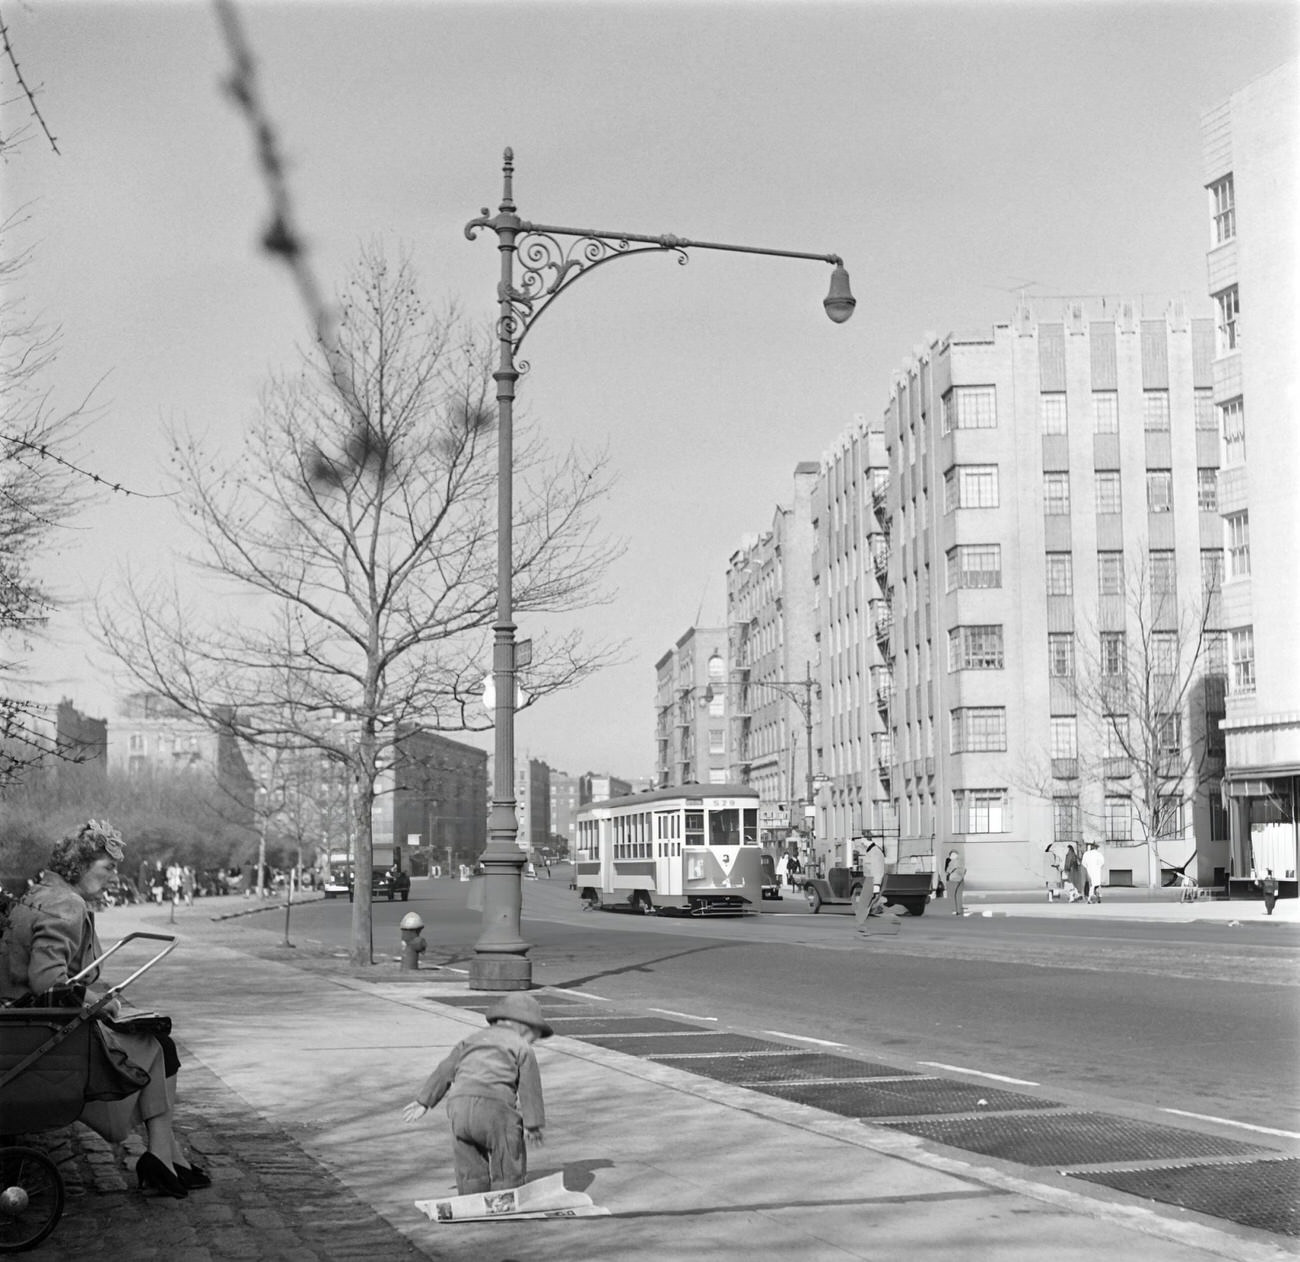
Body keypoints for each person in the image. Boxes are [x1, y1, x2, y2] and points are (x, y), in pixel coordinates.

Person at [0, 821, 208, 1198]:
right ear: (80, 866)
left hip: (20, 1022)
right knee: (158, 1046)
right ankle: (162, 1155)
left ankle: (166, 1155)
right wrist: (105, 1002)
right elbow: (49, 983)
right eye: (107, 867)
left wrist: (100, 996)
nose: (115, 875)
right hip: (41, 1034)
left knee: (156, 1040)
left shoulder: (39, 893)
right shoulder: (66, 903)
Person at [402, 992, 551, 1195]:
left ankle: (471, 1192)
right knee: (507, 1152)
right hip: (495, 1109)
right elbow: (530, 1088)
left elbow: (445, 1070)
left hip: (458, 1107)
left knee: (467, 1154)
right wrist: (533, 1124)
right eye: (536, 1033)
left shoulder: (471, 1040)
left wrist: (424, 1101)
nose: (536, 1039)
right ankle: (506, 1193)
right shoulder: (521, 1047)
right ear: (524, 1025)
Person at [943, 849, 966, 917]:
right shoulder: (951, 861)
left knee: (954, 895)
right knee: (956, 895)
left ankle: (956, 910)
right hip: (954, 879)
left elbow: (947, 870)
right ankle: (957, 910)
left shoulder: (953, 861)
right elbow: (948, 870)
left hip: (955, 879)